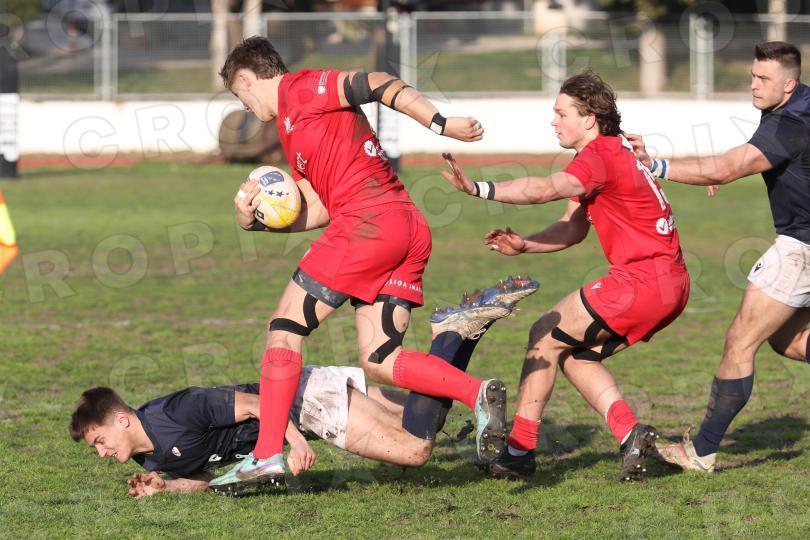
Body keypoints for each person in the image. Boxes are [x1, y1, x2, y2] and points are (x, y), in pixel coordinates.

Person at [211, 36, 516, 491]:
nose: (245, 106)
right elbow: (317, 207)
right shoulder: (292, 126)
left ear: (246, 78)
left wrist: (441, 123)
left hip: (368, 225)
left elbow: (376, 82)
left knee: (283, 329)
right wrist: (251, 221)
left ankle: (266, 453)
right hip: (404, 226)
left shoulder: (302, 88)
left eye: (240, 95)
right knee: (379, 357)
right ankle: (478, 394)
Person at [441, 70, 691, 481]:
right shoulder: (613, 151)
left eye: (561, 113)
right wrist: (525, 244)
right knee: (575, 355)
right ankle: (631, 435)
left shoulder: (599, 156)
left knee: (544, 333)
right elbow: (573, 228)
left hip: (642, 280)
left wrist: (480, 189)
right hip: (670, 283)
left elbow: (545, 188)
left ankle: (519, 451)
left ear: (589, 118)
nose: (553, 121)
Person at [69, 283, 538, 497]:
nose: (102, 453)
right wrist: (165, 488)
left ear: (122, 420)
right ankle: (459, 332)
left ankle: (452, 336)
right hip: (308, 399)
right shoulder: (148, 458)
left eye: (100, 441)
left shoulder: (176, 411)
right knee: (422, 418)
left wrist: (290, 442)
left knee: (414, 449)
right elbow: (210, 480)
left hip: (304, 401)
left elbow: (257, 404)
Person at [627, 41, 810, 473]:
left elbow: (730, 165)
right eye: (752, 76)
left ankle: (702, 451)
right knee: (786, 339)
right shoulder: (798, 104)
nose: (753, 85)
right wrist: (721, 170)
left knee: (739, 342)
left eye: (763, 79)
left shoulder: (789, 122)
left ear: (789, 83)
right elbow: (750, 158)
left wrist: (657, 165)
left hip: (800, 248)